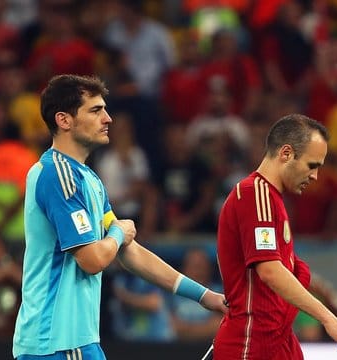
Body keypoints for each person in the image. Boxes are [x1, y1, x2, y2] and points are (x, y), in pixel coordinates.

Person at [12, 74, 227, 359]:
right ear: (64, 120)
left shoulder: (88, 179)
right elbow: (93, 259)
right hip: (56, 343)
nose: (108, 118)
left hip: (78, 343)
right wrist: (118, 232)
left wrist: (204, 296)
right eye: (96, 110)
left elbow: (130, 252)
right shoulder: (57, 175)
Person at [214, 114, 337, 359]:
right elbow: (270, 271)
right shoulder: (255, 195)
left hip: (276, 341)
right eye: (311, 165)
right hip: (251, 344)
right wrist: (329, 319)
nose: (315, 176)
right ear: (285, 153)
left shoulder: (271, 200)